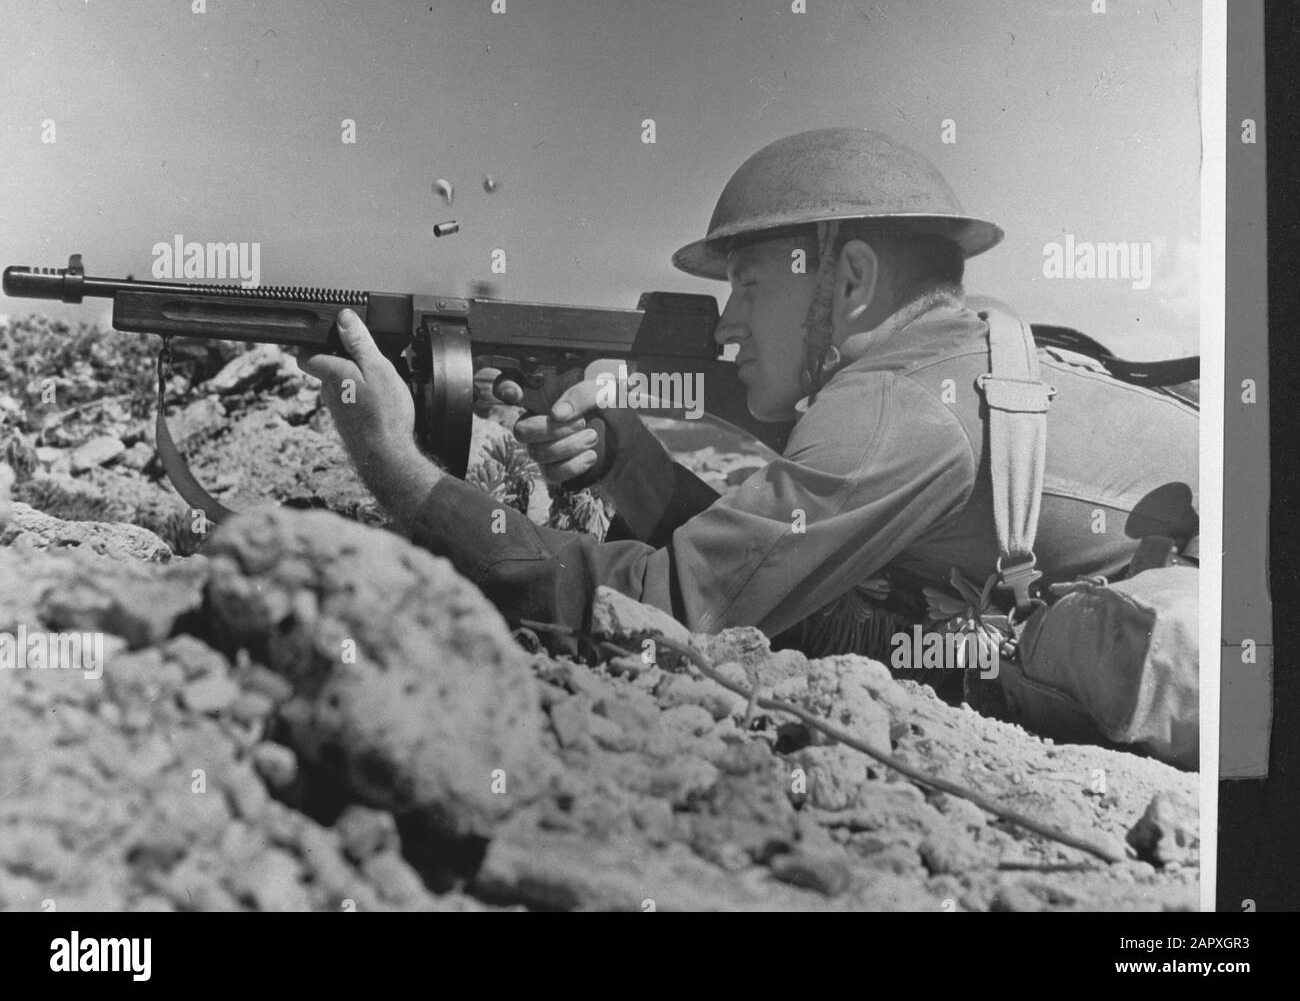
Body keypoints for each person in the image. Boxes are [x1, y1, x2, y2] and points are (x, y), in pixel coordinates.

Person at [299, 128, 1197, 683]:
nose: (727, 326)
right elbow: (772, 573)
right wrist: (627, 463)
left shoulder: (895, 409)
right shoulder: (952, 364)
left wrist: (402, 469)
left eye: (750, 286)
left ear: (848, 280)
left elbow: (664, 611)